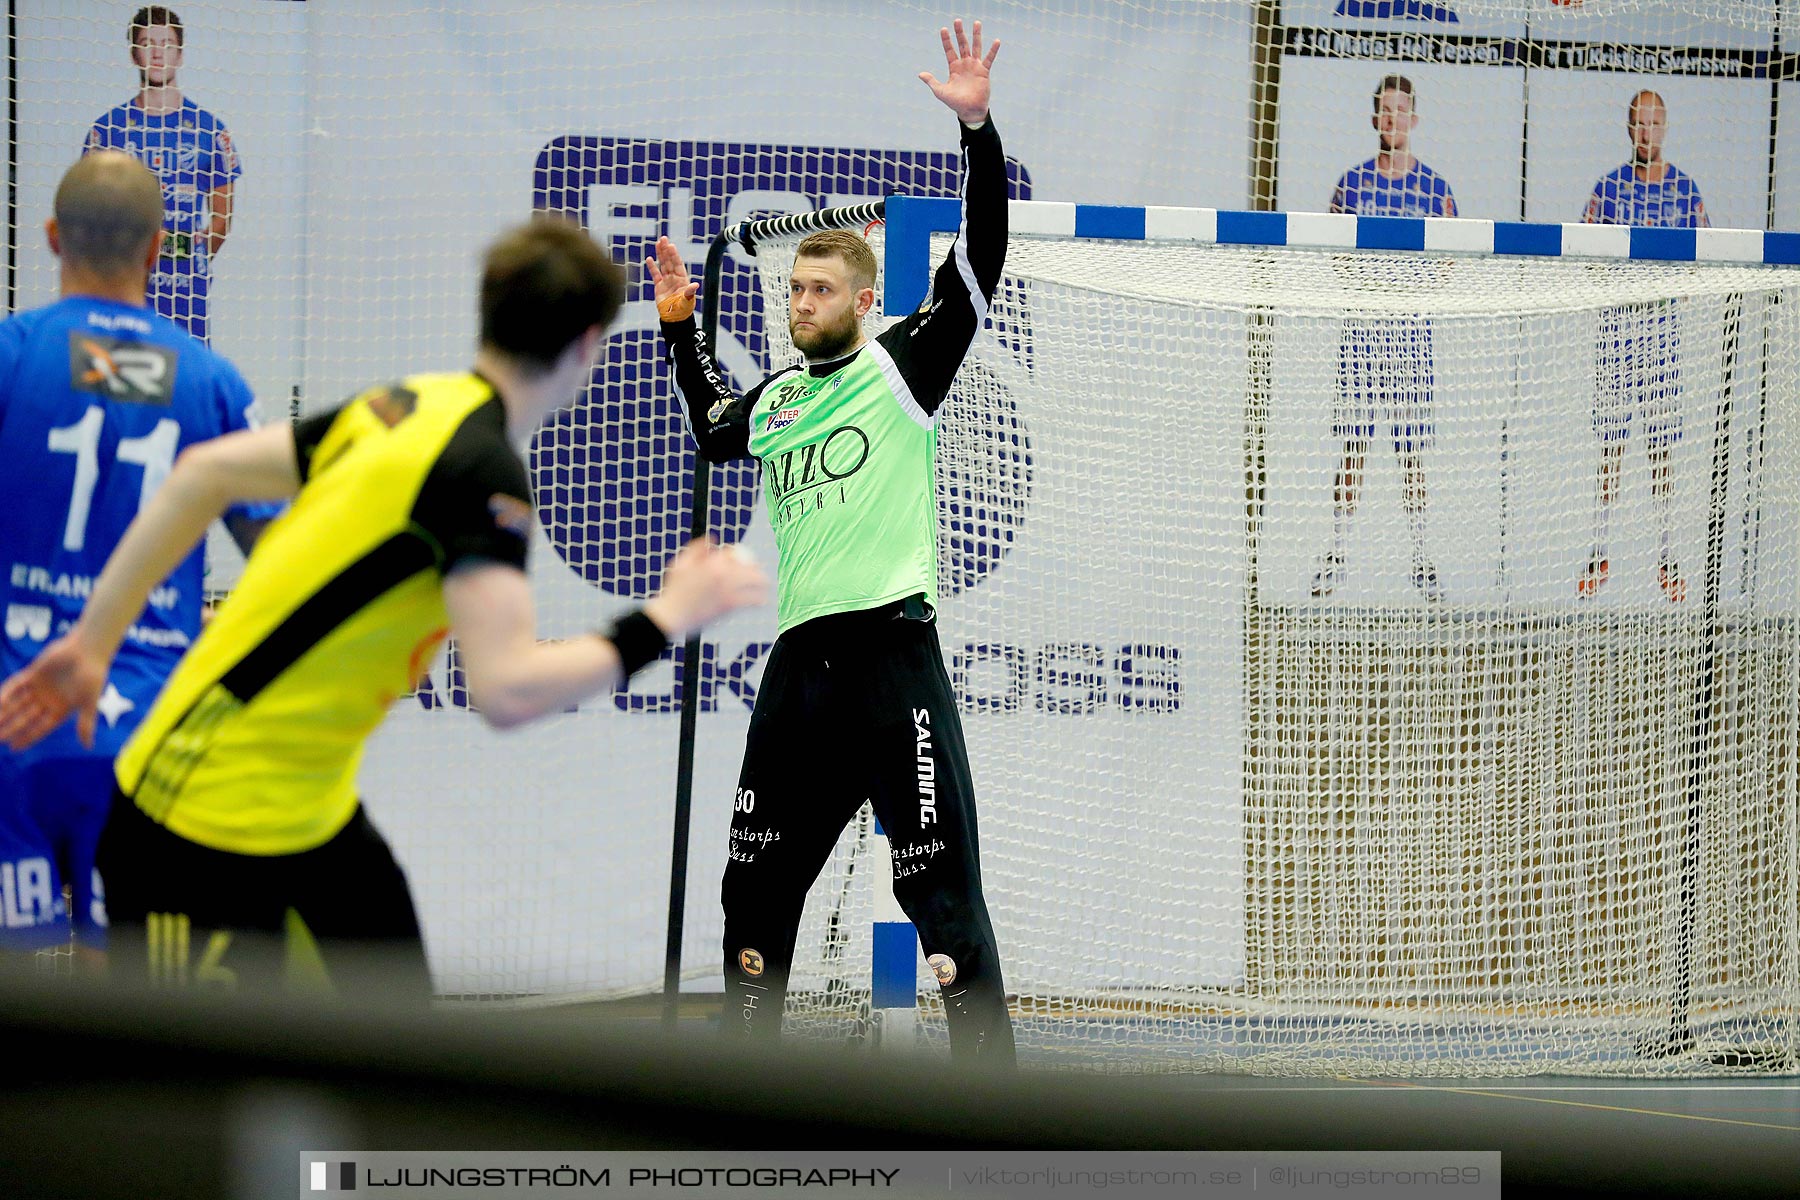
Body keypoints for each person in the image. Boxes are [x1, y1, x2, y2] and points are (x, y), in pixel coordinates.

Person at [0, 216, 769, 997]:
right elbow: (507, 690)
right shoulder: (483, 474)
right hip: (196, 815)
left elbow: (203, 474)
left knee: (402, 1053)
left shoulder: (405, 402)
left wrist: (93, 644)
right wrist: (667, 616)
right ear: (589, 346)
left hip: (311, 811)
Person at [648, 19, 1015, 1064]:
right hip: (798, 679)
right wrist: (681, 329)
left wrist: (978, 128)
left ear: (862, 300)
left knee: (946, 920)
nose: (798, 302)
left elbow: (982, 251)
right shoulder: (776, 403)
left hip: (890, 662)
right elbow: (714, 425)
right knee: (753, 904)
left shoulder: (904, 365)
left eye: (817, 291)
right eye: (792, 290)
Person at [0, 151, 276, 966]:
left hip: (14, 721)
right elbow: (283, 561)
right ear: (158, 250)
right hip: (147, 738)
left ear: (52, 237)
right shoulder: (213, 382)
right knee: (137, 1007)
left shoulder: (12, 355)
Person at [1312, 74, 1457, 602]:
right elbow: (1334, 259)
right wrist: (1372, 284)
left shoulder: (1435, 189)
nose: (1393, 119)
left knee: (1412, 454)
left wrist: (1405, 288)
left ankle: (1422, 559)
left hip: (1411, 341)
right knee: (1354, 449)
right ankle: (1336, 554)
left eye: (1402, 110)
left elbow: (1448, 267)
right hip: (1363, 338)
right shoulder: (1350, 186)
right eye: (1384, 110)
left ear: (1414, 119)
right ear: (1374, 118)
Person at [1578, 89, 1708, 603]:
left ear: (1666, 126)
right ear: (1628, 128)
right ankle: (1599, 547)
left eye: (1655, 123)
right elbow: (1585, 252)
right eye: (1639, 123)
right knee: (1611, 445)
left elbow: (1705, 257)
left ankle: (1667, 552)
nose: (1647, 132)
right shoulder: (1608, 190)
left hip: (1661, 333)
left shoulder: (1684, 190)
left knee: (1660, 447)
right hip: (1618, 331)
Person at [84, 6, 241, 344]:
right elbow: (89, 212)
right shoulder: (107, 129)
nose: (157, 52)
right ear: (134, 53)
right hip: (123, 285)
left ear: (180, 54)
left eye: (166, 43)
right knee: (120, 378)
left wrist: (186, 254)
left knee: (185, 382)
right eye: (147, 42)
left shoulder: (210, 131)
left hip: (186, 289)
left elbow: (222, 219)